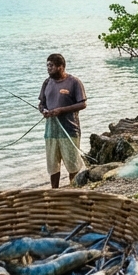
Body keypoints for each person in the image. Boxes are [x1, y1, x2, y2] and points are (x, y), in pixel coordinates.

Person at [38, 53, 87, 188]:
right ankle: (55, 191)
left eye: (51, 66)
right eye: (47, 65)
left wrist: (61, 110)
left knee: (72, 163)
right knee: (52, 164)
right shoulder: (47, 82)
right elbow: (41, 103)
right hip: (51, 131)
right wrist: (43, 111)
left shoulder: (74, 82)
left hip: (69, 129)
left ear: (61, 67)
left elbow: (82, 104)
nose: (48, 68)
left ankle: (74, 188)